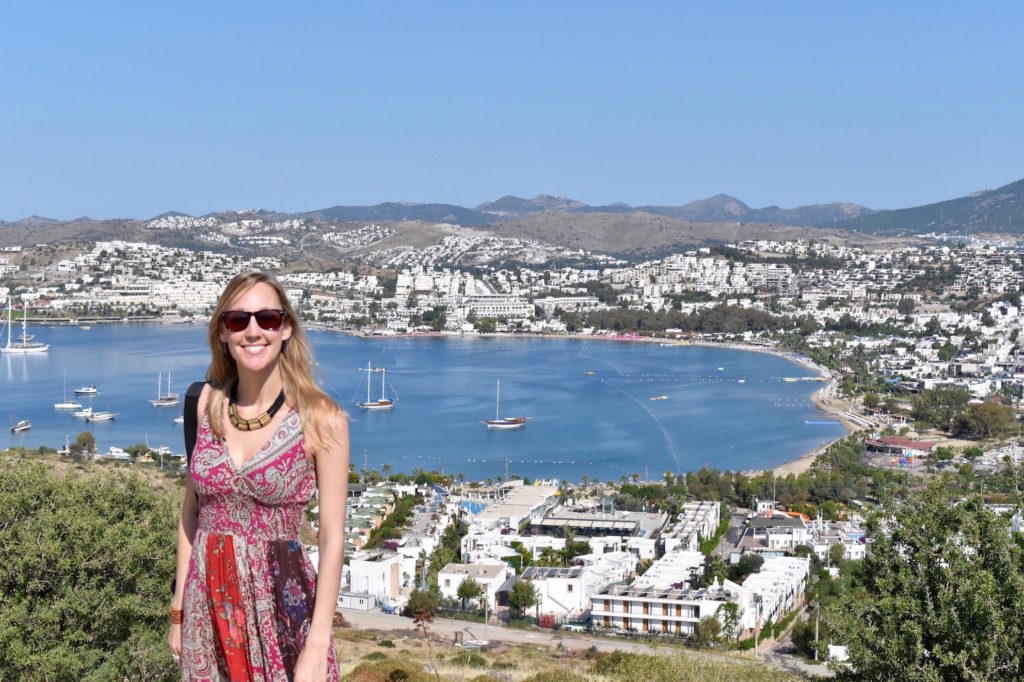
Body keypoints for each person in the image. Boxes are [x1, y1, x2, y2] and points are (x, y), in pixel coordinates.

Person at [168, 272, 349, 681]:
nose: (253, 331)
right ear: (223, 333)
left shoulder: (322, 419)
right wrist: (179, 610)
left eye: (267, 319)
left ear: (285, 328)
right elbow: (190, 515)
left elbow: (332, 538)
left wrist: (318, 643)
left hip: (283, 611)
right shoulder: (205, 406)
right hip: (207, 609)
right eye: (238, 321)